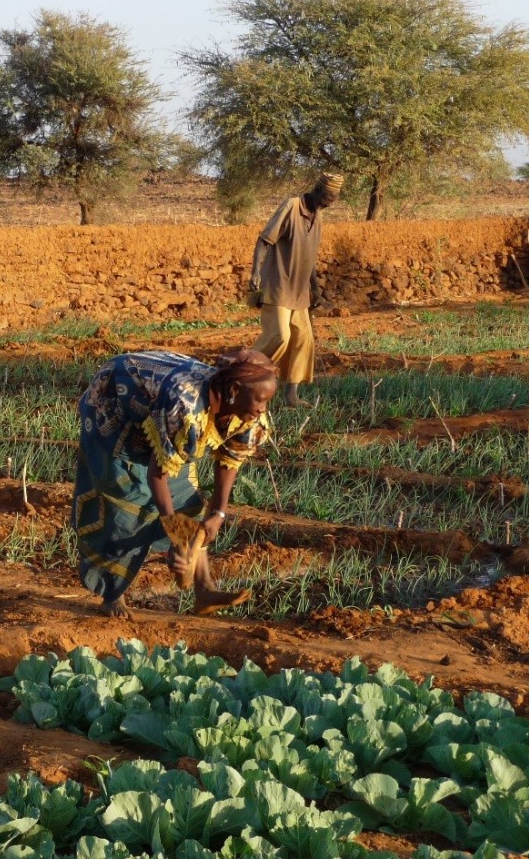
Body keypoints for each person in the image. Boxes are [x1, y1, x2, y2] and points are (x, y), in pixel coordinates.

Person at [73, 349, 276, 618]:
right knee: (127, 505)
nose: (263, 408)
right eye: (261, 400)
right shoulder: (187, 405)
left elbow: (229, 460)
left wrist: (218, 513)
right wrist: (175, 533)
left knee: (188, 501)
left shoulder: (250, 413)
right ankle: (113, 595)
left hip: (162, 424)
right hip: (114, 410)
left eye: (267, 401)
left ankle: (204, 589)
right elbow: (157, 476)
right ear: (235, 390)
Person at [247, 171, 343, 406]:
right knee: (280, 336)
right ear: (318, 191)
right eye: (327, 199)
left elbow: (309, 258)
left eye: (333, 201)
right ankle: (245, 376)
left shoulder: (317, 216)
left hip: (299, 291)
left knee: (303, 340)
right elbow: (264, 239)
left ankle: (291, 395)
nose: (328, 205)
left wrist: (316, 290)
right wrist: (255, 273)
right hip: (278, 285)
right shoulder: (291, 206)